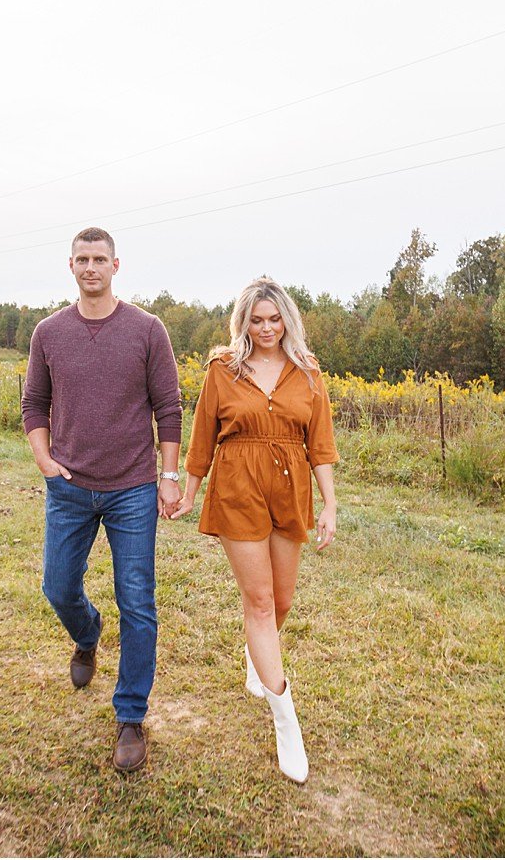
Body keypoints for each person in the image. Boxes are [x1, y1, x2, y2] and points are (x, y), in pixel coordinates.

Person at [21, 226, 183, 773]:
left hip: (133, 488)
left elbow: (169, 406)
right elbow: (33, 404)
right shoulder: (48, 332)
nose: (91, 267)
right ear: (70, 266)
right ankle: (86, 634)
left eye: (100, 259)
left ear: (118, 266)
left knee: (137, 600)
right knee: (57, 586)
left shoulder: (147, 329)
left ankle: (131, 716)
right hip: (68, 487)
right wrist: (45, 460)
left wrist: (168, 476)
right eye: (82, 259)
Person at [166, 276, 339, 783]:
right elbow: (203, 438)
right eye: (256, 320)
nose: (266, 328)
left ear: (287, 319)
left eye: (273, 318)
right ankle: (287, 721)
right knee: (259, 601)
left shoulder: (307, 373)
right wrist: (188, 490)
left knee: (281, 601)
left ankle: (254, 653)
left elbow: (321, 445)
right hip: (238, 488)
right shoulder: (223, 370)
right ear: (243, 323)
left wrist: (330, 504)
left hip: (290, 492)